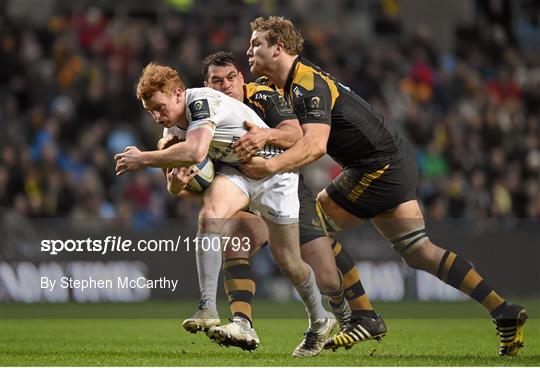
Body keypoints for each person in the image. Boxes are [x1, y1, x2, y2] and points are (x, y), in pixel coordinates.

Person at [238, 16, 527, 356]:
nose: (249, 50)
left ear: (279, 47)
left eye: (256, 43)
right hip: (392, 162)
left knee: (312, 226)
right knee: (420, 252)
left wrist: (269, 166)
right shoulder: (287, 85)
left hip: (379, 168)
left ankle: (363, 315)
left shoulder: (306, 82)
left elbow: (314, 146)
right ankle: (502, 310)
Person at [162, 51, 386, 352]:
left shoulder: (262, 96)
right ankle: (242, 323)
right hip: (240, 188)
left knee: (324, 275)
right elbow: (185, 185)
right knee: (232, 239)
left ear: (241, 77)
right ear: (206, 85)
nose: (226, 86)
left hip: (283, 185)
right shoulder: (196, 117)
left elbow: (295, 135)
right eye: (217, 81)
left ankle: (342, 315)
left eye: (231, 78)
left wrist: (263, 137)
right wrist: (179, 185)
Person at [114, 63, 335, 357]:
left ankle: (321, 319)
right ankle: (207, 307)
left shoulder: (201, 101)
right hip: (239, 172)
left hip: (275, 175)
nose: (156, 116)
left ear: (178, 93)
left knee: (289, 261)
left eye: (159, 107)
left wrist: (142, 159)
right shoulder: (170, 132)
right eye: (150, 111)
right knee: (210, 216)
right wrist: (177, 182)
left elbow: (195, 153)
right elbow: (173, 188)